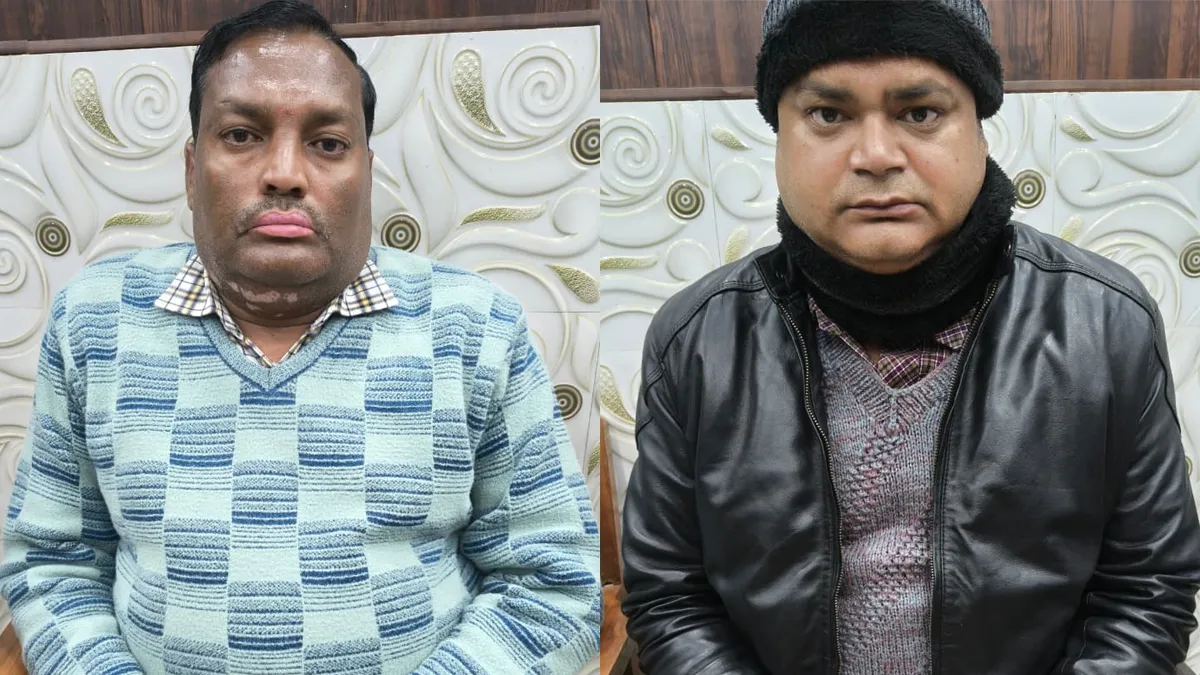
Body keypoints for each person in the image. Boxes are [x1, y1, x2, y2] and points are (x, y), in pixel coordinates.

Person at [0, 2, 601, 673]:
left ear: (366, 173)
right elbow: (52, 563)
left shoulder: (477, 329)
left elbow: (553, 587)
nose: (284, 172)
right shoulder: (93, 320)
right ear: (192, 169)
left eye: (328, 143)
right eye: (241, 134)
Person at [619, 0, 1200, 673]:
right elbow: (671, 597)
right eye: (828, 114)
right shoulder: (695, 341)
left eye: (920, 113)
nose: (876, 156)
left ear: (979, 131)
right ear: (778, 138)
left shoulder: (1106, 323)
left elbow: (1145, 594)